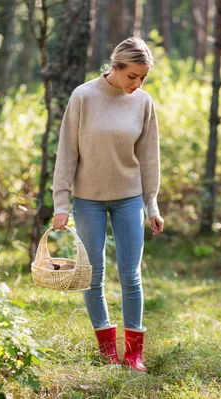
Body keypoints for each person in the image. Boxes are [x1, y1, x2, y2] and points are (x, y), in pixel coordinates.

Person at [52, 36, 164, 373]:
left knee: (131, 276)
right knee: (93, 275)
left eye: (143, 78)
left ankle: (133, 355)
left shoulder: (143, 103)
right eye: (132, 76)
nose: (137, 84)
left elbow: (148, 157)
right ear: (115, 67)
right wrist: (61, 202)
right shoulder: (83, 97)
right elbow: (67, 151)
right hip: (88, 201)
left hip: (129, 199)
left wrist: (152, 205)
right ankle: (107, 352)